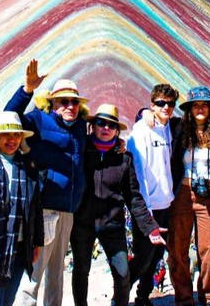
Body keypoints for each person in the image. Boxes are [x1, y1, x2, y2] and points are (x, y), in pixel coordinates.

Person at [6, 59, 89, 306]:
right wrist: (26, 91)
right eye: (64, 101)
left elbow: (105, 130)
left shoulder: (81, 127)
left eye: (74, 101)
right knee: (34, 272)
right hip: (44, 210)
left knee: (57, 273)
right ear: (52, 103)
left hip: (68, 211)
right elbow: (8, 117)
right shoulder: (39, 121)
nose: (70, 106)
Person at [71, 104, 166, 306]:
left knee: (122, 273)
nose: (106, 128)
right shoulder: (81, 151)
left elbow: (133, 196)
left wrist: (150, 227)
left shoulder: (124, 158)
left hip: (112, 225)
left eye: (111, 125)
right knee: (81, 270)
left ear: (117, 130)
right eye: (101, 123)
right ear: (93, 126)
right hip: (83, 223)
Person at [0, 112, 44, 306]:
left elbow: (36, 208)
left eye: (16, 135)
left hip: (20, 247)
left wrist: (37, 242)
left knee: (8, 299)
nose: (11, 140)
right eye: (6, 134)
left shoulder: (28, 166)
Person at [167, 86, 210, 306]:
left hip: (207, 195)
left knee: (209, 248)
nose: (200, 108)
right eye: (195, 105)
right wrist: (145, 114)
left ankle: (209, 294)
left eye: (204, 104)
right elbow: (151, 117)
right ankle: (183, 298)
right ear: (189, 109)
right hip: (182, 192)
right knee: (178, 247)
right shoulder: (178, 129)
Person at [127, 84, 180, 306]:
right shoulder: (141, 130)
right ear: (152, 105)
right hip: (148, 207)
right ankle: (120, 294)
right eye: (160, 103)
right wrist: (146, 211)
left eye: (170, 104)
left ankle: (142, 296)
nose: (165, 107)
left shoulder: (174, 127)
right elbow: (138, 172)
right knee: (142, 257)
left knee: (157, 255)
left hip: (167, 204)